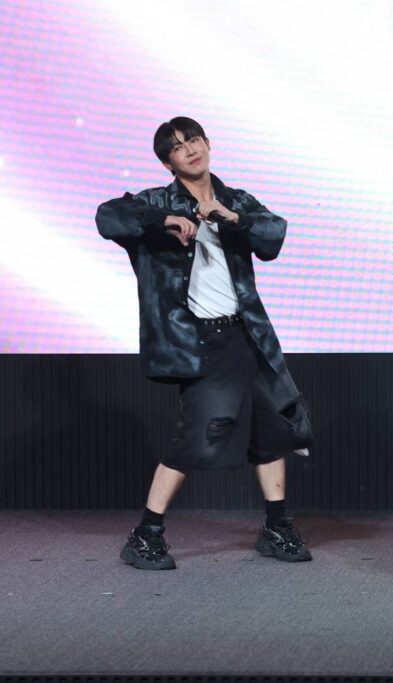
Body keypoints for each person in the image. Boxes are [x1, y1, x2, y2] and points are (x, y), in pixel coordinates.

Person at [96, 117, 314, 570]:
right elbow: (107, 216)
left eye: (194, 139)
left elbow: (273, 236)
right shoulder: (156, 202)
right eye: (178, 147)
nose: (190, 149)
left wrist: (232, 219)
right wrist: (165, 219)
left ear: (208, 144)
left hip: (248, 335)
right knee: (196, 439)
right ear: (168, 163)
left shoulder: (235, 200)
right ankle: (145, 535)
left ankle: (277, 527)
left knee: (272, 430)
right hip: (199, 341)